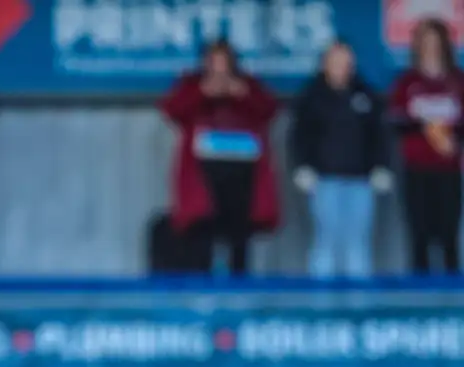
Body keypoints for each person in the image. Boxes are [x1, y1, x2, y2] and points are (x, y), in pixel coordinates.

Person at [159, 39, 280, 275]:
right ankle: (203, 283)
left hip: (242, 174)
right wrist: (202, 92)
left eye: (224, 61)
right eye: (214, 61)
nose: (220, 68)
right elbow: (171, 109)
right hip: (203, 173)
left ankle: (239, 283)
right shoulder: (193, 84)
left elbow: (269, 110)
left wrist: (242, 94)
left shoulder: (247, 84)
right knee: (202, 231)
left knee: (239, 235)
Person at [290, 41, 392, 280]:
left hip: (361, 181)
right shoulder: (312, 96)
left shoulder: (365, 94)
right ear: (325, 64)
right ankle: (320, 299)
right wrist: (302, 166)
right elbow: (299, 136)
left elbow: (379, 135)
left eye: (345, 61)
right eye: (335, 61)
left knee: (357, 242)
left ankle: (359, 300)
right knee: (326, 240)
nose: (340, 66)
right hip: (324, 181)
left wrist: (381, 166)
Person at [391, 17, 464, 275]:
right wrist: (426, 127)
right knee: (419, 235)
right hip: (417, 168)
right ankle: (418, 295)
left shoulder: (457, 81)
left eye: (435, 41)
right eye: (425, 41)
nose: (431, 47)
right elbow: (396, 121)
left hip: (449, 169)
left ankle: (453, 294)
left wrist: (454, 139)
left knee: (448, 235)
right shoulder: (407, 82)